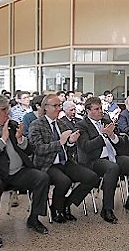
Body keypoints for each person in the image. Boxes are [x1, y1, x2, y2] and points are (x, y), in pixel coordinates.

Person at [0, 94, 50, 248]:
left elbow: (29, 150)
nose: (8, 112)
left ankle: (33, 218)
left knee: (42, 177)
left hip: (16, 172)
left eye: (7, 108)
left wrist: (20, 138)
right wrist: (2, 140)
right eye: (4, 109)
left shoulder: (12, 124)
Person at [76, 97, 129, 224]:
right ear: (88, 111)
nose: (100, 112)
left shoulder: (106, 120)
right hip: (94, 160)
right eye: (97, 109)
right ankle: (107, 209)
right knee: (112, 168)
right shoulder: (82, 125)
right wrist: (103, 135)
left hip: (113, 155)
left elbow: (119, 142)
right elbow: (86, 147)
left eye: (101, 109)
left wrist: (112, 136)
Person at [28, 94, 98, 223]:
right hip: (47, 164)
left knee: (91, 177)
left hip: (65, 161)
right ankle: (56, 209)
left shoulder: (61, 124)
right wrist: (59, 142)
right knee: (64, 182)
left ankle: (66, 204)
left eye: (59, 105)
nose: (58, 108)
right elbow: (38, 149)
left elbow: (70, 149)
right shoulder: (36, 125)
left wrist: (71, 142)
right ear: (45, 108)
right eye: (55, 106)